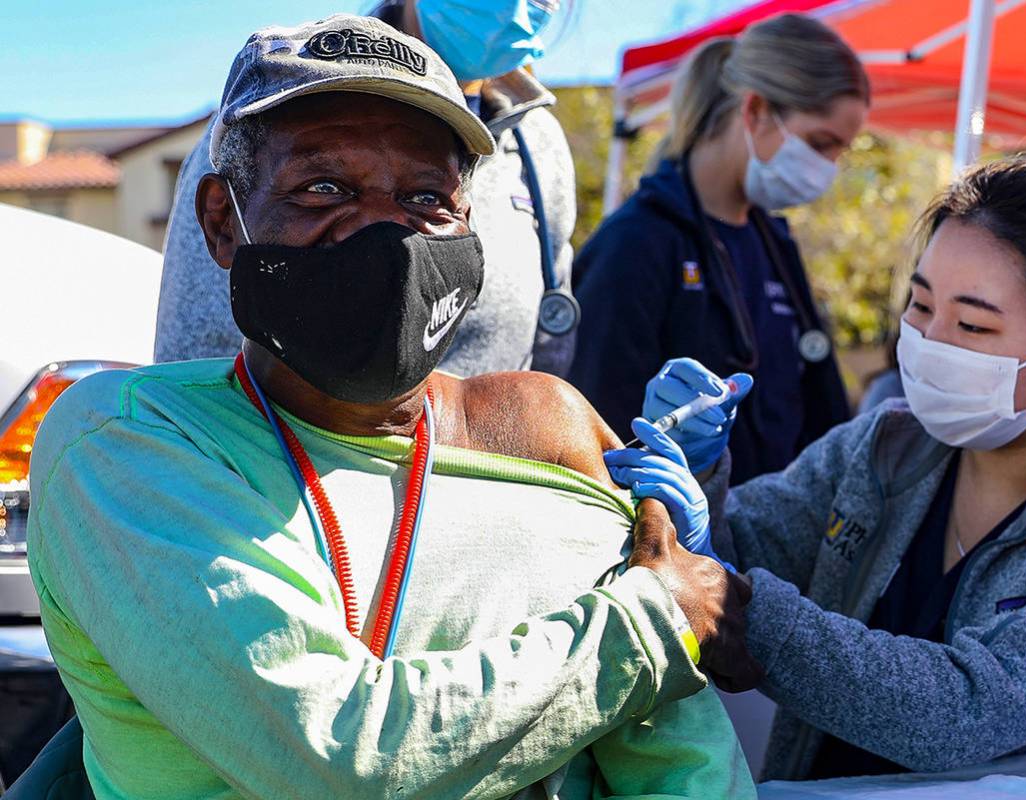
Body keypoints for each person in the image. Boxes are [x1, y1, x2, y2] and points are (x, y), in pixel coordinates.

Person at [25, 17, 759, 799]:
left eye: (424, 198)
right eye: (324, 189)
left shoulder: (539, 434)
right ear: (220, 222)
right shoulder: (128, 443)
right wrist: (653, 622)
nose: (382, 233)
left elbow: (680, 765)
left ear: (468, 232)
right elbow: (335, 757)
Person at [606, 158, 1026, 780]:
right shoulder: (888, 443)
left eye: (972, 324)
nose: (929, 342)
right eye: (919, 306)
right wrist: (694, 480)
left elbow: (959, 712)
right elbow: (733, 553)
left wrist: (730, 598)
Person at [154, 0, 579, 377]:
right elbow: (193, 366)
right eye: (324, 187)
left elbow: (548, 338)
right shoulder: (268, 117)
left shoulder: (538, 143)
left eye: (427, 196)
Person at [569, 13, 868, 486]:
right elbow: (592, 428)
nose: (828, 168)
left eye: (840, 151)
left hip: (769, 536)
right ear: (755, 112)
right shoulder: (637, 243)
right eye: (820, 143)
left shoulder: (775, 243)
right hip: (667, 542)